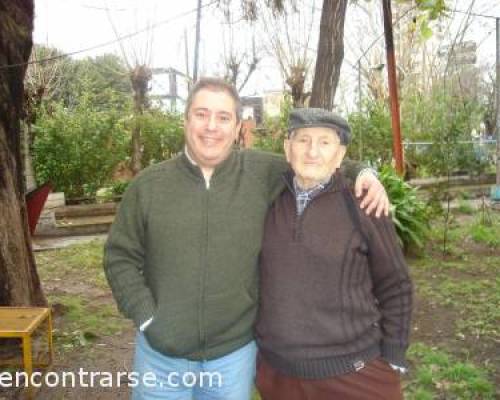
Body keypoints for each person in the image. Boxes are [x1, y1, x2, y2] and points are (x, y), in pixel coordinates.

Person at [103, 78, 389, 400]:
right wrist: (146, 314)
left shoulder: (259, 172)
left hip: (232, 360)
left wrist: (365, 172)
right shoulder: (148, 186)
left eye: (223, 117)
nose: (211, 126)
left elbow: (313, 160)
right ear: (185, 120)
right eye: (201, 114)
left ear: (238, 126)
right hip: (161, 358)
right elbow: (119, 256)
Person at [255, 108, 413, 400]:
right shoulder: (266, 201)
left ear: (340, 156)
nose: (312, 151)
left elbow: (396, 284)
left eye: (325, 142)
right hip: (279, 376)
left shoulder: (364, 206)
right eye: (303, 140)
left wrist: (394, 353)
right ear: (287, 149)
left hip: (353, 374)